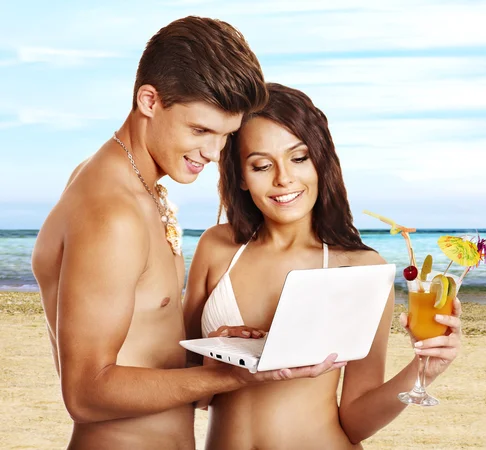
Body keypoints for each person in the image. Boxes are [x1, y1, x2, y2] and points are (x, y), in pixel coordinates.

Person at [31, 18, 344, 450]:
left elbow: (141, 344)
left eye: (225, 135)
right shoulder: (113, 212)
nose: (214, 154)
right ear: (149, 101)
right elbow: (86, 394)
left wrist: (218, 348)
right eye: (200, 130)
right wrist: (229, 375)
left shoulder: (123, 181)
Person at [183, 83, 463, 449]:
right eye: (262, 165)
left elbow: (355, 421)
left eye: (299, 158)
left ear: (320, 160)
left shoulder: (360, 268)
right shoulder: (216, 247)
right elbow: (187, 392)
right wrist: (218, 364)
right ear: (240, 176)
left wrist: (423, 369)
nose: (283, 178)